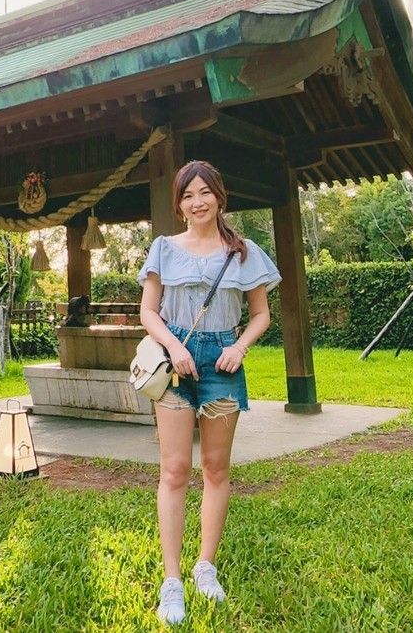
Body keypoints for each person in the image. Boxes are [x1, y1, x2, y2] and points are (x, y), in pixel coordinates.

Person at [137, 160, 281, 625]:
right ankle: (172, 581)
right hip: (175, 364)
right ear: (179, 205)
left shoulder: (243, 252)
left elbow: (261, 313)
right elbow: (149, 311)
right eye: (187, 196)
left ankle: (206, 567)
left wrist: (239, 347)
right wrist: (175, 347)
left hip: (223, 361)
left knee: (216, 469)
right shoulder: (163, 247)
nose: (196, 202)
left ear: (219, 196)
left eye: (204, 193)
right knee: (175, 469)